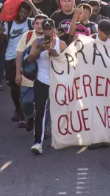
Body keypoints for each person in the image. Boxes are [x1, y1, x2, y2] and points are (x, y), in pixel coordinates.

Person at [25, 19, 66, 154]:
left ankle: (59, 139)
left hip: (57, 82)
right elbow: (30, 58)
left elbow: (69, 64)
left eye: (50, 28)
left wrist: (56, 54)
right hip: (41, 81)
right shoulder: (37, 42)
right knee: (40, 112)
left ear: (54, 29)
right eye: (45, 29)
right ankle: (38, 142)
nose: (48, 31)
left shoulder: (61, 44)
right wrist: (41, 49)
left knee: (58, 111)